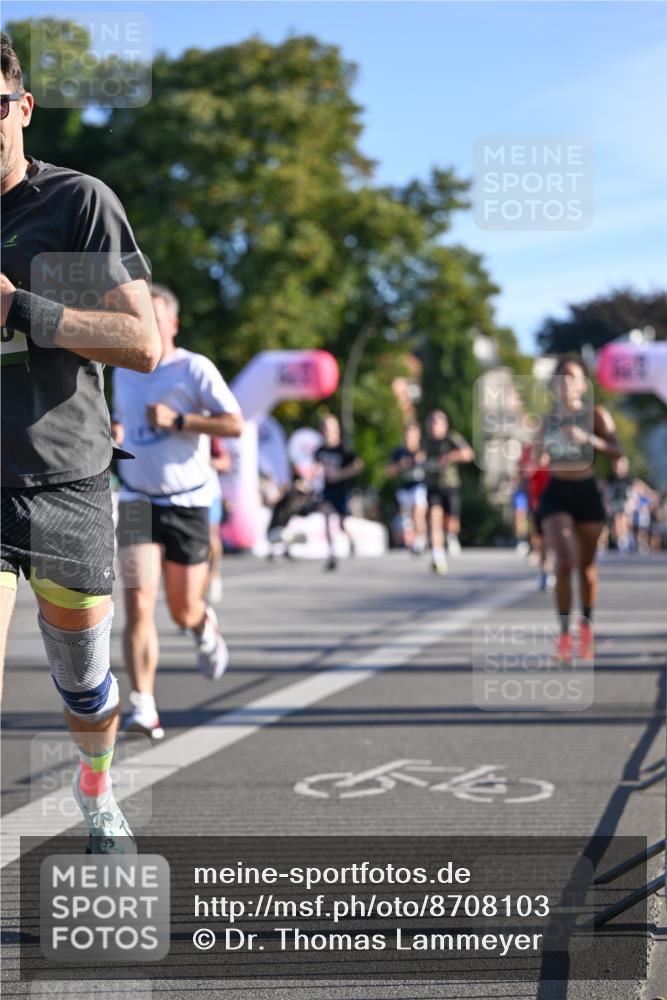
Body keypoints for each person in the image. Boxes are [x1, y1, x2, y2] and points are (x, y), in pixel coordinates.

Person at [0, 33, 161, 853]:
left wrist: (19, 306)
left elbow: (143, 343)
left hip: (64, 476)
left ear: (23, 107)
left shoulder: (73, 204)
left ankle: (96, 791)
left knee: (85, 683)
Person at [112, 285, 243, 740]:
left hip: (187, 500)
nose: (146, 319)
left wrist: (180, 421)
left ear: (172, 324)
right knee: (137, 603)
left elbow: (235, 423)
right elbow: (116, 421)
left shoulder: (194, 368)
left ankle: (203, 627)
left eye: (155, 313)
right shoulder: (120, 369)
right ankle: (144, 705)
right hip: (135, 500)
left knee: (182, 610)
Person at [536, 355, 623, 662]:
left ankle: (585, 629)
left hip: (586, 492)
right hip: (557, 492)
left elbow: (617, 451)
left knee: (586, 570)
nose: (566, 381)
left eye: (572, 376)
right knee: (564, 563)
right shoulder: (547, 420)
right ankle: (563, 637)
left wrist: (589, 439)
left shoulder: (596, 414)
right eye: (561, 376)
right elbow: (536, 457)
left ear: (583, 384)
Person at [423, 410, 474, 573]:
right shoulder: (425, 441)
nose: (433, 427)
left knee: (451, 522)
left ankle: (451, 537)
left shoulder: (452, 438)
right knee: (433, 519)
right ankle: (437, 556)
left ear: (444, 425)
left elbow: (468, 454)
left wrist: (451, 456)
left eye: (436, 423)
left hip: (450, 485)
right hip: (432, 486)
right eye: (430, 423)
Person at [315, 415, 364, 571]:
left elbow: (358, 465)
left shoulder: (344, 449)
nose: (327, 432)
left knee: (342, 522)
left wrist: (340, 474)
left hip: (342, 490)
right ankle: (331, 553)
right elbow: (316, 467)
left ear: (337, 430)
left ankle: (352, 541)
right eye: (324, 428)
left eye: (329, 428)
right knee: (327, 518)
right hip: (327, 490)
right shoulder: (320, 450)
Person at [386, 422, 428, 554]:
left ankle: (420, 540)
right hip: (404, 489)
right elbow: (389, 471)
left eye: (413, 435)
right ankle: (415, 539)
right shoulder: (399, 452)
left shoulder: (423, 450)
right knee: (408, 518)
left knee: (418, 512)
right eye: (407, 435)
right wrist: (400, 465)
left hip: (420, 486)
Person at [207, 437, 231, 603]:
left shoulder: (210, 436)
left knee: (211, 537)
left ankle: (214, 577)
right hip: (181, 496)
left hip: (209, 494)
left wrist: (207, 462)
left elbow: (225, 463)